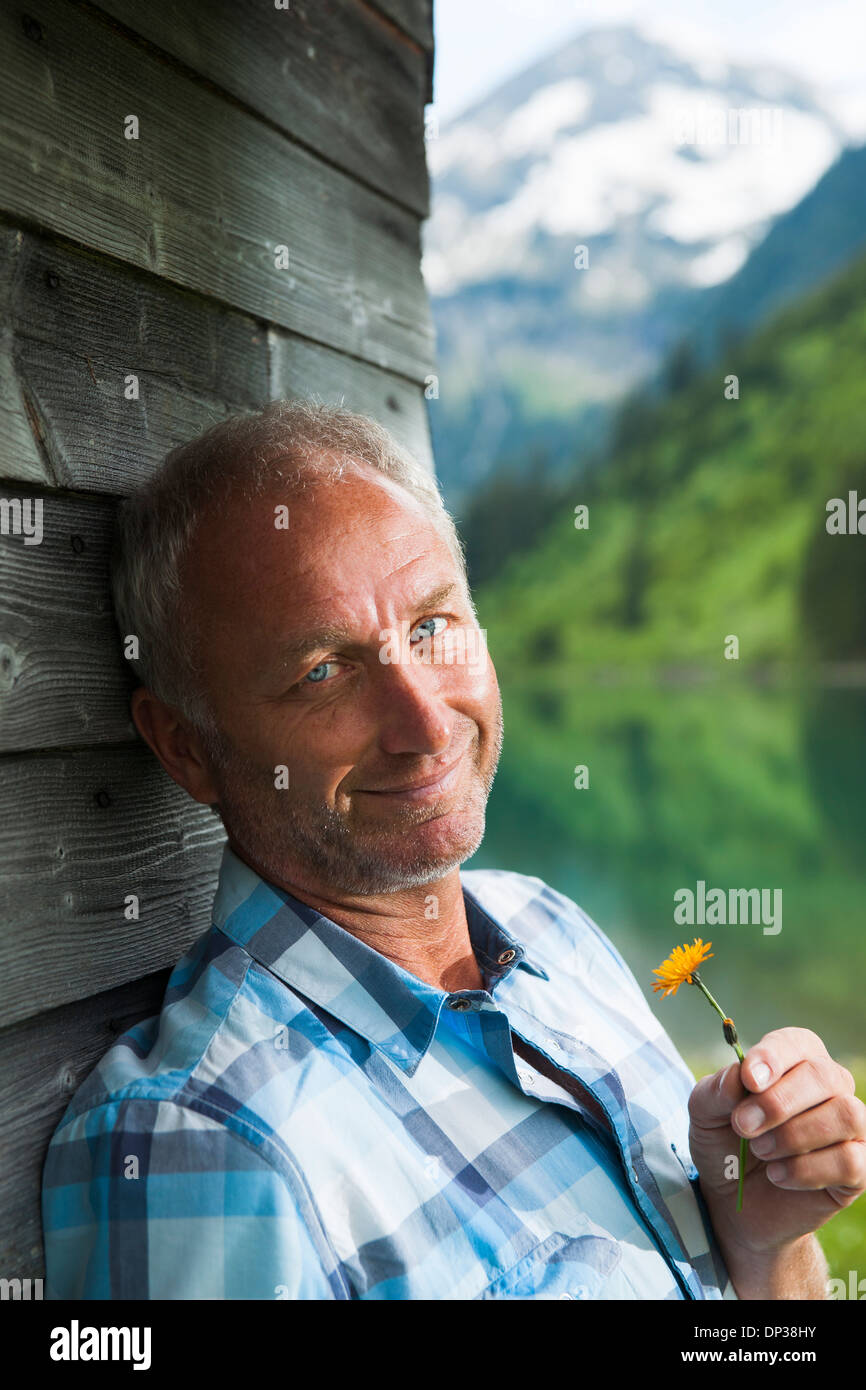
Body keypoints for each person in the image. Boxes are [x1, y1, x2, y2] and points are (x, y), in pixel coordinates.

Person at [41, 400, 865, 1299]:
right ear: (186, 747)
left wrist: (763, 1240)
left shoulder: (552, 928)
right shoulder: (201, 1144)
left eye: (433, 628)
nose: (426, 724)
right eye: (324, 671)